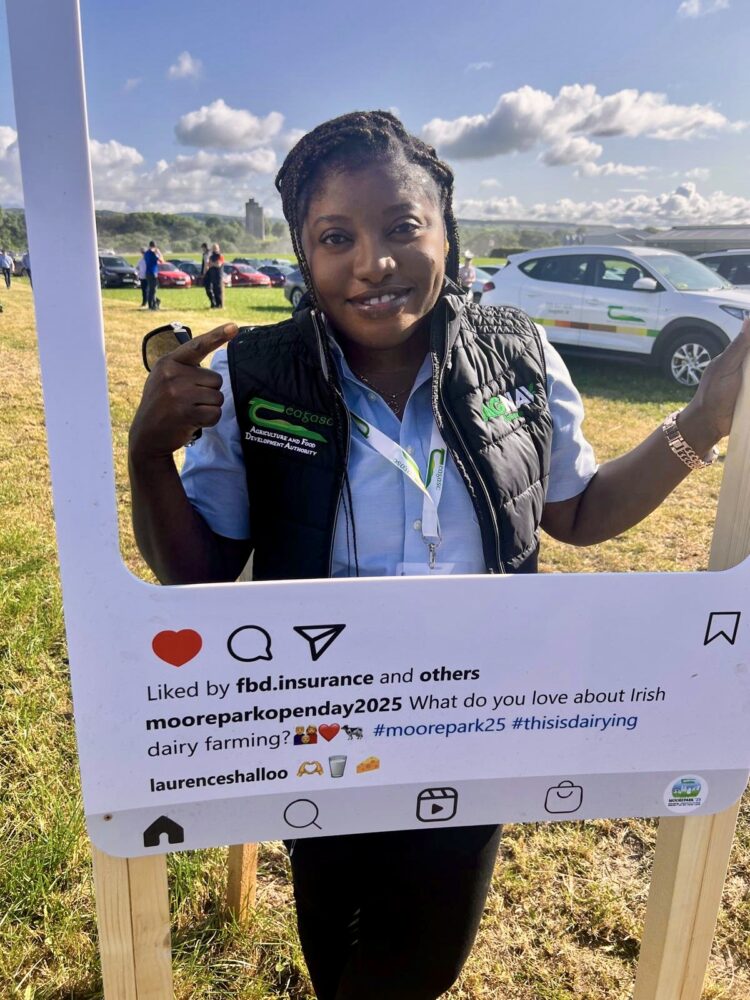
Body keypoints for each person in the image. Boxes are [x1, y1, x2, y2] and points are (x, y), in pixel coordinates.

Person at [129, 111, 749, 1000]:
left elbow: (575, 512)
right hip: (320, 724)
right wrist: (149, 454)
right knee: (335, 942)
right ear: (305, 255)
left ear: (449, 235)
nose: (372, 261)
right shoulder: (254, 376)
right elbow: (196, 574)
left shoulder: (519, 356)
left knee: (418, 963)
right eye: (335, 237)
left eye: (401, 228)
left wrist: (701, 424)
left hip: (473, 723)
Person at [143, 240, 162, 311]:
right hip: (153, 273)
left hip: (147, 273)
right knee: (153, 290)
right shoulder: (154, 253)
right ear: (155, 246)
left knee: (150, 290)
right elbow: (161, 260)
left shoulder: (146, 253)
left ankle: (152, 304)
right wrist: (158, 252)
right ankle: (152, 306)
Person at [206, 242, 224, 309]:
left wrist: (213, 264)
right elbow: (209, 265)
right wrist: (214, 264)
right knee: (214, 290)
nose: (214, 250)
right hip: (212, 275)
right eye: (213, 248)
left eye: (216, 248)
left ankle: (220, 305)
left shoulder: (220, 256)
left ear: (218, 249)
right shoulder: (211, 257)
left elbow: (218, 265)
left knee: (219, 291)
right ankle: (216, 304)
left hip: (219, 275)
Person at [200, 241, 215, 307]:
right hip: (211, 273)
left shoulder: (206, 254)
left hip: (207, 273)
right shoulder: (211, 253)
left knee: (208, 289)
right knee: (210, 288)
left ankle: (213, 302)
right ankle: (213, 302)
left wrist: (204, 273)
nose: (202, 249)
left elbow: (206, 264)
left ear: (205, 247)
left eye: (202, 248)